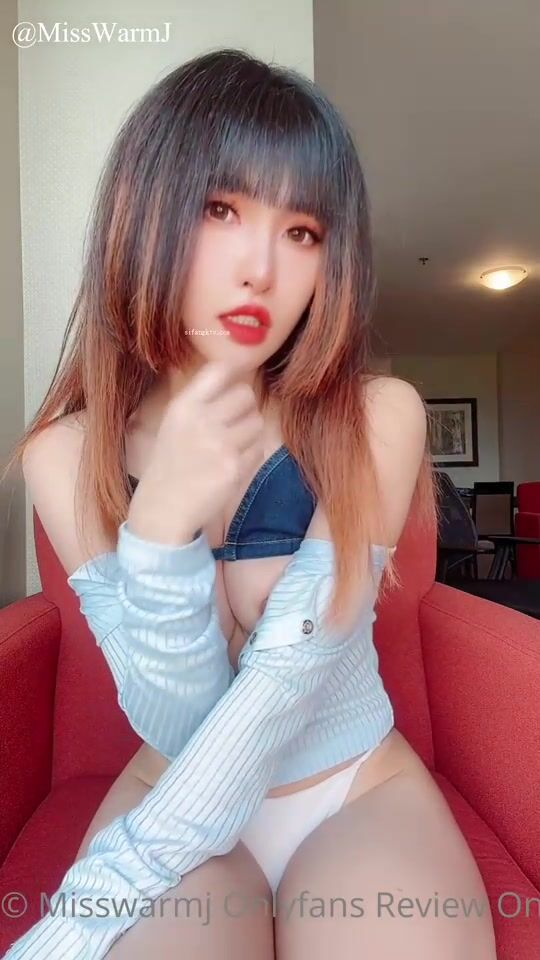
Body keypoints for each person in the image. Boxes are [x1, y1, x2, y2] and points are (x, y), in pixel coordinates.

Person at [1, 48, 496, 959]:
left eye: (302, 231)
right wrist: (158, 533)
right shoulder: (64, 455)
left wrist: (91, 908)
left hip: (352, 790)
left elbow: (285, 684)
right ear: (144, 212)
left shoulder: (375, 418)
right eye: (221, 209)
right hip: (170, 787)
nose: (261, 269)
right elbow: (178, 722)